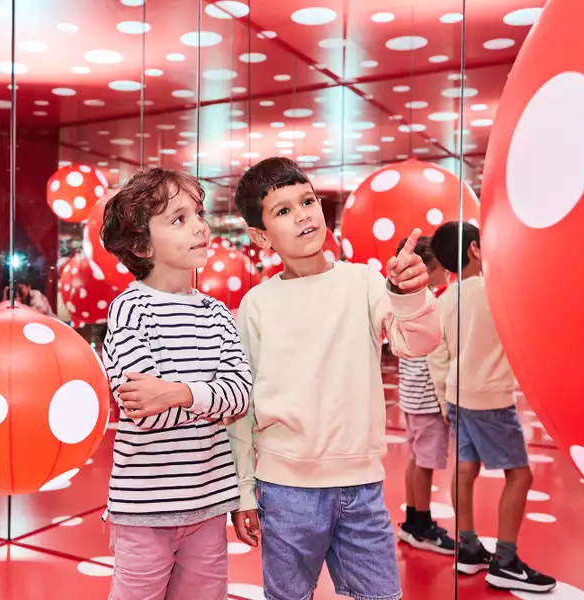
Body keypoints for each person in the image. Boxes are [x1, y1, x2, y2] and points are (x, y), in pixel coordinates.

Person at [228, 157, 440, 600]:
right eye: (283, 210)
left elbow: (416, 343)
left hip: (362, 488)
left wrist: (409, 292)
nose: (303, 213)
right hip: (284, 491)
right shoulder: (256, 304)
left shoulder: (364, 281)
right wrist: (244, 491)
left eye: (307, 201)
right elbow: (241, 404)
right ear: (261, 236)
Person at [100, 167, 252, 600]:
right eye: (179, 219)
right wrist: (208, 397)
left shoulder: (218, 313)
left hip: (208, 504)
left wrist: (179, 392)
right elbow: (145, 413)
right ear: (144, 243)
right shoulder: (129, 310)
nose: (200, 227)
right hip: (145, 509)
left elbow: (240, 395)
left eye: (199, 214)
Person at [428, 221, 556, 593]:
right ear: (474, 250)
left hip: (456, 395)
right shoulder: (497, 292)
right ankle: (506, 560)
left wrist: (443, 399)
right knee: (519, 475)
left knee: (464, 469)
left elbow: (438, 356)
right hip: (491, 398)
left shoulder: (445, 298)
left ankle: (467, 547)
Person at [392, 235, 455, 555]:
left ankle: (415, 521)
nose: (448, 270)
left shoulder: (411, 300)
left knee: (417, 457)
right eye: (443, 264)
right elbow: (437, 356)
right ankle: (421, 524)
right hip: (427, 393)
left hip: (412, 391)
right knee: (424, 460)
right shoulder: (429, 302)